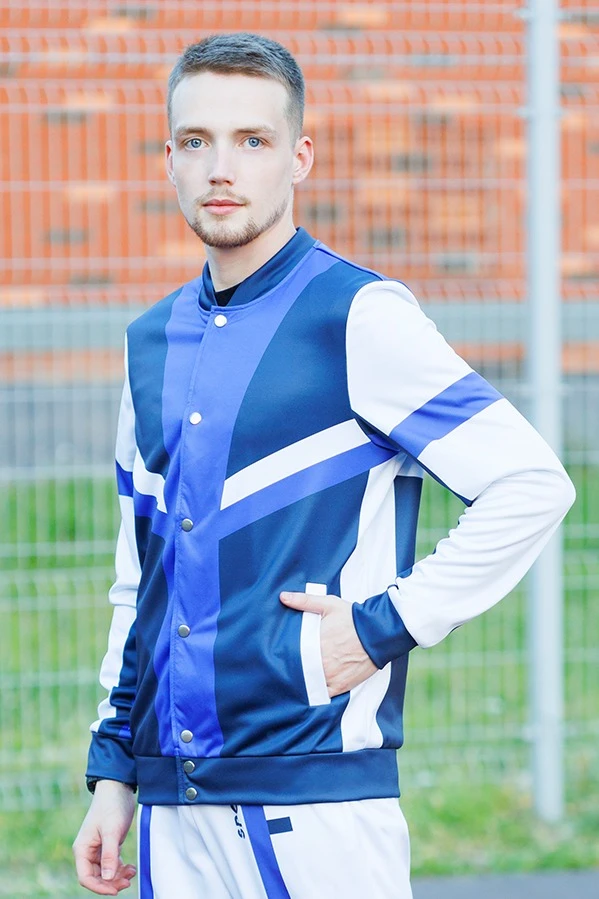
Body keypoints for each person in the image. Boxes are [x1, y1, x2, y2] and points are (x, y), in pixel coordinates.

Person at [73, 32, 575, 899]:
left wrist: (382, 626)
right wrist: (115, 766)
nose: (220, 168)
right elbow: (141, 576)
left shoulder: (357, 315)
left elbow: (530, 484)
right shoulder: (148, 342)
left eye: (252, 140)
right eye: (196, 141)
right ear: (169, 160)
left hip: (318, 812)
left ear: (298, 157)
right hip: (169, 812)